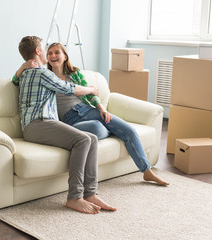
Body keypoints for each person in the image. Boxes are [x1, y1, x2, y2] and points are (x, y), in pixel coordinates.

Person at [14, 42, 169, 186]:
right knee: (97, 129)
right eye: (49, 53)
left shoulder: (74, 74)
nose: (53, 56)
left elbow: (90, 94)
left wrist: (102, 108)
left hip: (88, 110)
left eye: (57, 52)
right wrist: (23, 66)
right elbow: (16, 80)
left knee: (129, 130)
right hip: (70, 120)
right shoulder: (44, 75)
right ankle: (111, 131)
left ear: (65, 56)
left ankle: (146, 171)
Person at [14, 36, 116, 214]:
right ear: (38, 51)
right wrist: (92, 90)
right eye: (44, 49)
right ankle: (74, 197)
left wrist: (23, 66)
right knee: (83, 141)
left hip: (39, 124)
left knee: (91, 138)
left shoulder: (24, 74)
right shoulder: (43, 73)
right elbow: (69, 89)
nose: (47, 53)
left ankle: (90, 193)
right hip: (38, 123)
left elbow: (13, 81)